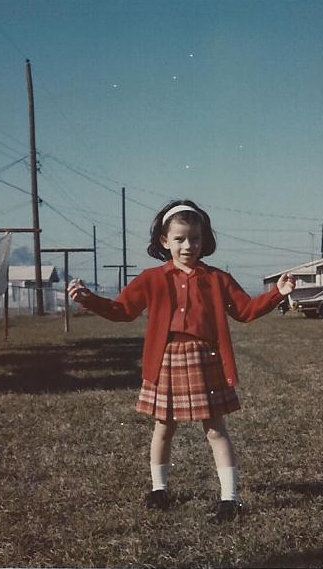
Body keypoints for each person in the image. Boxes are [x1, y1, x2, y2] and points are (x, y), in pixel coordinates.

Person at [68, 199, 296, 523]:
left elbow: (245, 310)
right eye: (179, 239)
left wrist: (277, 293)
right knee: (163, 427)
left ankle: (230, 499)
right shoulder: (151, 278)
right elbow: (123, 310)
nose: (188, 246)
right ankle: (159, 490)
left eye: (195, 238)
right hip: (166, 360)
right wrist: (89, 300)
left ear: (204, 240)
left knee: (215, 429)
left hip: (205, 360)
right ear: (164, 241)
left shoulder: (218, 278)